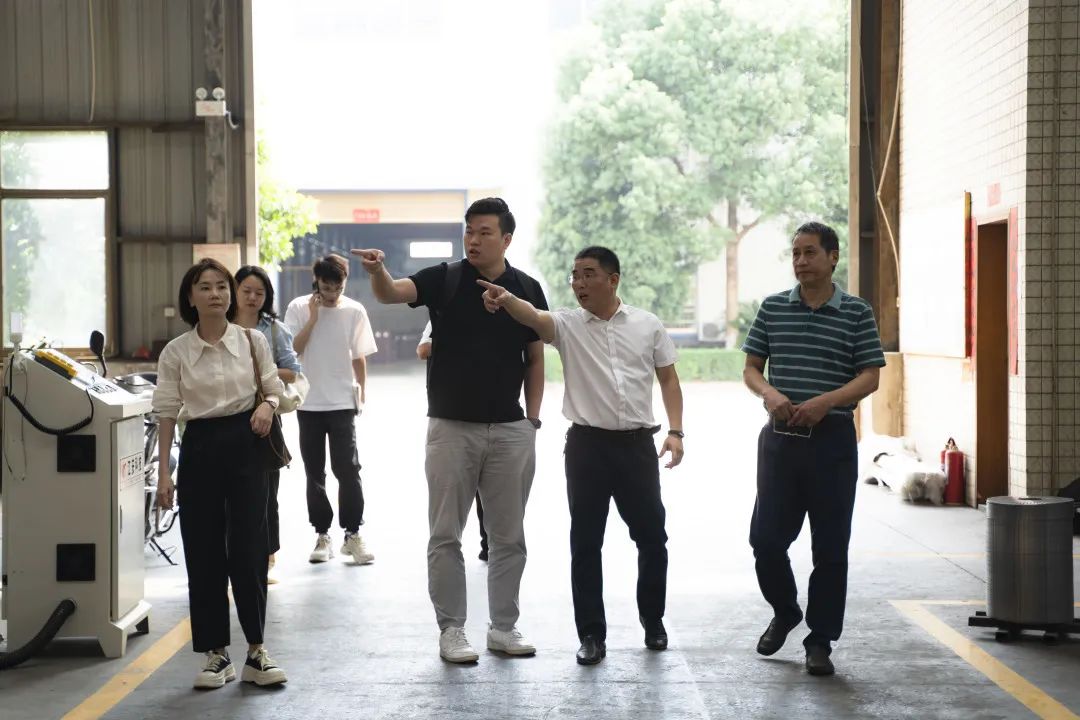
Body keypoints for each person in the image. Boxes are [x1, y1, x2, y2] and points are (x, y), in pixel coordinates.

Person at [352, 197, 546, 663]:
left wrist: (532, 420)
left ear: (506, 239)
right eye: (469, 231)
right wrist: (378, 271)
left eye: (484, 232)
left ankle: (504, 627)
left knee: (509, 538)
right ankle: (452, 630)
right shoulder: (446, 278)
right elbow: (392, 292)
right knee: (445, 535)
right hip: (451, 428)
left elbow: (535, 357)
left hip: (510, 429)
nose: (473, 239)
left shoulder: (527, 288)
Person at [476, 245, 685, 666]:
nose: (579, 283)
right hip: (587, 448)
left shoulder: (647, 324)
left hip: (637, 448)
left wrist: (676, 432)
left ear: (613, 279)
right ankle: (591, 634)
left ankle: (653, 620)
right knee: (586, 543)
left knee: (652, 538)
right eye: (574, 275)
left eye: (588, 274)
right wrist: (507, 298)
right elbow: (534, 317)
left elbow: (668, 379)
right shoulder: (568, 325)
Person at [741, 221, 885, 677]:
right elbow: (751, 368)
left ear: (832, 257)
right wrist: (769, 393)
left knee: (830, 547)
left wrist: (828, 401)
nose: (801, 261)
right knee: (766, 540)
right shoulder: (773, 308)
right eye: (795, 253)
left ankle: (820, 640)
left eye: (810, 252)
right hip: (780, 442)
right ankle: (785, 609)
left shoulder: (856, 312)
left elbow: (870, 376)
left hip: (832, 442)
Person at [152, 258, 288, 689]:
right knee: (203, 551)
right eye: (205, 287)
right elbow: (166, 412)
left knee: (250, 548)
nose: (216, 294)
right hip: (199, 447)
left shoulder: (252, 340)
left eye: (222, 286)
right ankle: (216, 655)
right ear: (190, 297)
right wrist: (164, 475)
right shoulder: (176, 351)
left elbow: (274, 388)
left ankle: (257, 652)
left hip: (247, 444)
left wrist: (267, 406)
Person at [284, 254, 378, 565]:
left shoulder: (354, 310)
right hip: (308, 402)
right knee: (315, 472)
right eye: (327, 288)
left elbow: (359, 355)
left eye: (338, 288)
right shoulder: (298, 307)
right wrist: (313, 317)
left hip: (342, 402)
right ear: (317, 282)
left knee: (348, 469)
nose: (333, 294)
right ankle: (322, 535)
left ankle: (352, 534)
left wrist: (362, 391)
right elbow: (292, 350)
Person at [235, 265, 305, 584]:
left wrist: (261, 371)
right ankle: (234, 557)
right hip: (226, 416)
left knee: (265, 491)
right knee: (230, 494)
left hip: (265, 416)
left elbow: (292, 371)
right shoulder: (219, 326)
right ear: (235, 290)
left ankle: (266, 556)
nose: (252, 297)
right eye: (246, 291)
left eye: (259, 293)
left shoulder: (274, 329)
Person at [417, 320, 489, 563]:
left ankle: (488, 543)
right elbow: (423, 350)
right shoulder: (440, 318)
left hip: (492, 415)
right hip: (451, 417)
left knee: (488, 490)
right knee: (452, 493)